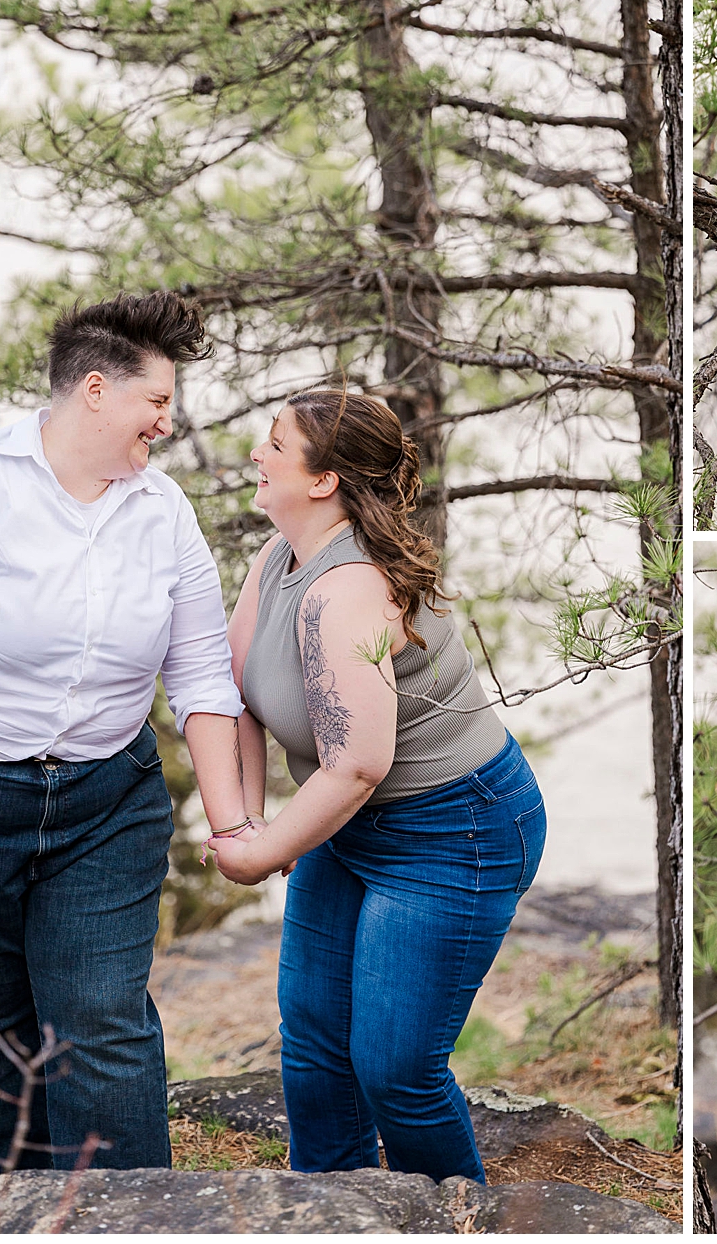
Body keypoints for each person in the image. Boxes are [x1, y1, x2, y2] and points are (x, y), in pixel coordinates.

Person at [0, 292, 244, 1184]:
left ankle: (129, 1223)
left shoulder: (163, 511)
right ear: (95, 390)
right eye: (157, 402)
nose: (167, 422)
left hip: (105, 804)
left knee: (102, 1024)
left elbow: (201, 676)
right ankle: (16, 1215)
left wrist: (230, 827)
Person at [207, 391, 547, 1182]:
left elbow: (358, 764)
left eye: (275, 443)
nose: (256, 453)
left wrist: (265, 856)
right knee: (317, 1040)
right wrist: (252, 823)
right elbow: (236, 695)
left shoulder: (347, 589)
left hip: (455, 828)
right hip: (350, 820)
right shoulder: (277, 556)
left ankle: (457, 1223)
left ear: (323, 480)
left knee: (396, 1069)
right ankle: (335, 1216)